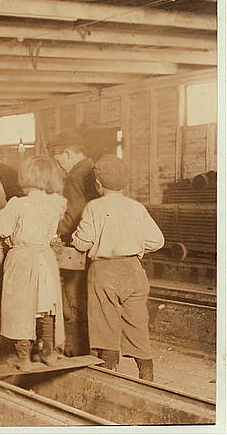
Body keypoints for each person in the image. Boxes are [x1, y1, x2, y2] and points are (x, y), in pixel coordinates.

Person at [72, 155, 164, 381]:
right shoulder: (136, 207)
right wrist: (136, 248)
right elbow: (157, 241)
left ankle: (109, 371)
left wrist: (76, 239)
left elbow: (83, 241)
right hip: (133, 270)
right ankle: (146, 371)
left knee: (105, 324)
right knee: (136, 323)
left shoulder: (94, 207)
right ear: (126, 183)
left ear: (98, 184)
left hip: (105, 272)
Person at [0, 156, 67, 371]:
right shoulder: (56, 203)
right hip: (45, 259)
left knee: (21, 309)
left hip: (23, 259)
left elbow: (0, 227)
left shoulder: (18, 203)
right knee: (46, 307)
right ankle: (48, 354)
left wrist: (10, 234)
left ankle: (23, 358)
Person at [47, 129, 99, 357]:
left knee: (72, 301)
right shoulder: (93, 170)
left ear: (68, 154)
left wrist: (50, 229)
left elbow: (72, 217)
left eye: (59, 159)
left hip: (78, 250)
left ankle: (76, 352)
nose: (59, 165)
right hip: (95, 248)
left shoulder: (75, 177)